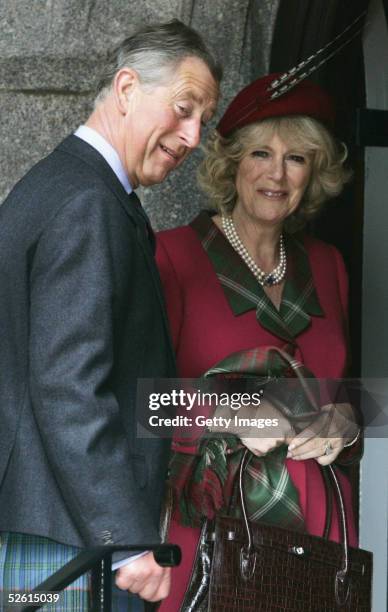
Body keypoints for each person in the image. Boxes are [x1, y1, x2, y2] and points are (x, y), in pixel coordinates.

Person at [0, 19, 221, 611]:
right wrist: (125, 541)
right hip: (74, 547)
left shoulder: (66, 185)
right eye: (182, 108)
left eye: (202, 118)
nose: (194, 134)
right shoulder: (88, 203)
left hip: (54, 534)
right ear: (126, 88)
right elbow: (69, 387)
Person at [156, 73, 362, 610]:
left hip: (320, 536)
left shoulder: (328, 264)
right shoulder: (173, 257)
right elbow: (137, 403)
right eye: (261, 154)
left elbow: (346, 395)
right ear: (232, 164)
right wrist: (235, 413)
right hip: (214, 531)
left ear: (314, 172)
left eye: (296, 158)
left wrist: (346, 420)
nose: (277, 173)